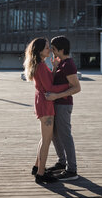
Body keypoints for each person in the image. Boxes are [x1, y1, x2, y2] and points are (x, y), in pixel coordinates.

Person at [23, 37, 69, 184]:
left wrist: (54, 68)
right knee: (47, 140)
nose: (50, 49)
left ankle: (37, 167)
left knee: (44, 138)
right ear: (40, 51)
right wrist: (68, 87)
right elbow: (50, 88)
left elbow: (48, 82)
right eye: (47, 47)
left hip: (42, 100)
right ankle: (41, 174)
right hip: (45, 102)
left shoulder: (40, 64)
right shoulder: (41, 66)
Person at [45, 36, 81, 181]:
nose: (52, 51)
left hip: (64, 105)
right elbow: (54, 81)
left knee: (65, 136)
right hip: (57, 104)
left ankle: (72, 170)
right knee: (54, 134)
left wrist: (56, 96)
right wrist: (54, 67)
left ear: (61, 50)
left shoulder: (69, 65)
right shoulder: (61, 63)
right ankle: (61, 163)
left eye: (53, 49)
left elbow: (77, 88)